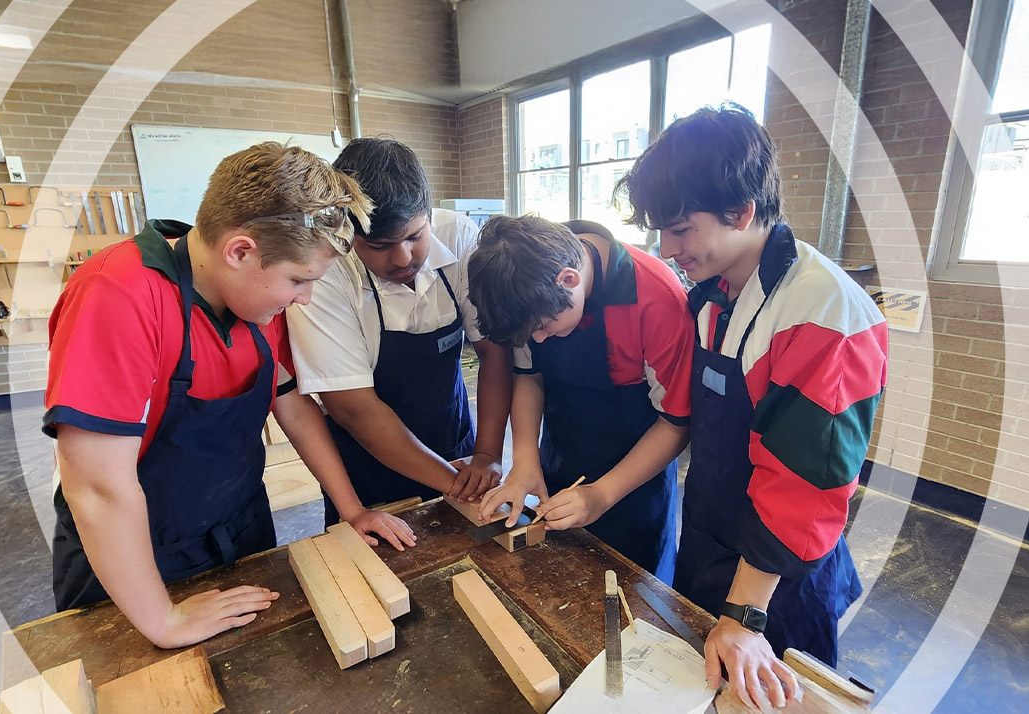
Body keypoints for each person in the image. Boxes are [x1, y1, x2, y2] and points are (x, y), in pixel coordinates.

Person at [42, 142, 417, 649]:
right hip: (133, 554)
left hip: (238, 528)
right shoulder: (118, 294)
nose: (303, 298)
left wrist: (351, 510)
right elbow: (97, 487)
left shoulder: (257, 303)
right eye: (298, 281)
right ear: (240, 251)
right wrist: (163, 620)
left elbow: (291, 404)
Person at [617, 104, 887, 710]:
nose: (668, 248)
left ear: (741, 212)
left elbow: (803, 486)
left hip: (780, 577)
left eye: (682, 229)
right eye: (661, 230)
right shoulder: (711, 296)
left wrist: (745, 613)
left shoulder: (821, 313)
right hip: (712, 541)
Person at [284, 138, 514, 525]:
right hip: (368, 470)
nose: (403, 258)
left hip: (455, 443)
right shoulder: (323, 273)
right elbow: (354, 408)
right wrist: (456, 484)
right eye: (380, 245)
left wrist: (487, 454)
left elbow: (494, 351)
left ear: (427, 212)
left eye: (414, 236)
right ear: (348, 232)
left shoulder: (459, 236)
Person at [463, 214, 694, 581]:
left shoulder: (656, 298)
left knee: (637, 597)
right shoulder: (521, 284)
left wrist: (601, 495)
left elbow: (676, 424)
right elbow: (529, 376)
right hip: (561, 457)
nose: (538, 341)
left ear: (569, 280)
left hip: (635, 483)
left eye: (543, 329)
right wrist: (525, 461)